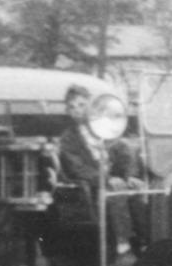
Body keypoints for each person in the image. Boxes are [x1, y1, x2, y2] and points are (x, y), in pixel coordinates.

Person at [55, 84, 143, 255]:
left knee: (141, 190)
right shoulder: (68, 139)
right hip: (90, 186)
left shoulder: (103, 128)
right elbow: (77, 168)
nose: (77, 110)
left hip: (114, 179)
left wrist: (129, 176)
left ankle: (146, 240)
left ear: (90, 106)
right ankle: (123, 241)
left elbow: (124, 152)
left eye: (82, 105)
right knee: (116, 192)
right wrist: (106, 179)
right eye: (72, 107)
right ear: (68, 111)